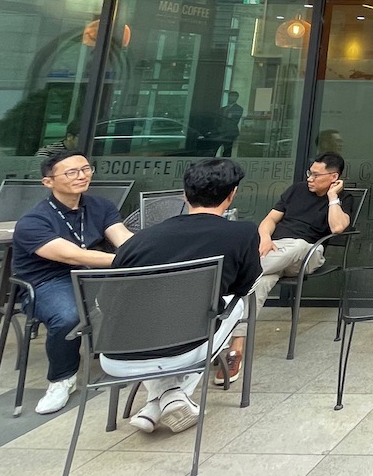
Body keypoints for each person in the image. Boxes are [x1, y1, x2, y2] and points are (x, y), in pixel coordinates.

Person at [108, 158, 261, 434]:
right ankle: (172, 396)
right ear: (232, 194)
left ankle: (156, 402)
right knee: (237, 305)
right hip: (186, 342)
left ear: (184, 194)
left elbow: (107, 301)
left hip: (118, 348)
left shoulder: (139, 240)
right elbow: (244, 284)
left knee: (159, 321)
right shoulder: (242, 233)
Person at [11, 149, 133, 414]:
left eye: (86, 169)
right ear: (48, 182)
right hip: (49, 282)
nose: (82, 176)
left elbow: (123, 239)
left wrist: (139, 254)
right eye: (72, 172)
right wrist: (125, 261)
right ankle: (62, 379)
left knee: (142, 294)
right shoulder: (33, 221)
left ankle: (127, 360)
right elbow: (71, 254)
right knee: (68, 316)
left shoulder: (101, 206)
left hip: (94, 275)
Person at [216, 151, 353, 378]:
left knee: (298, 245)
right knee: (257, 284)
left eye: (316, 175)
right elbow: (270, 220)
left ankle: (227, 277)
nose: (310, 178)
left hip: (308, 254)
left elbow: (338, 228)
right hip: (274, 251)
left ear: (333, 177)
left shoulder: (343, 199)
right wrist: (265, 238)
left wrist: (332, 197)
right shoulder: (296, 190)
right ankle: (235, 349)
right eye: (310, 173)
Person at [216, 92, 244, 157]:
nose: (232, 98)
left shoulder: (239, 108)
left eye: (234, 96)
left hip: (230, 132)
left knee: (227, 150)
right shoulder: (223, 108)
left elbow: (234, 120)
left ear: (237, 98)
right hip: (221, 131)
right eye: (231, 96)